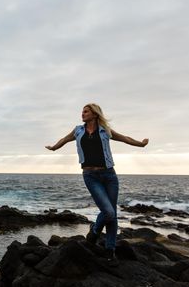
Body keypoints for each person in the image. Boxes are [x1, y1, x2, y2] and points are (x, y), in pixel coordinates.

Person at [45, 103, 149, 263]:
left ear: (94, 114)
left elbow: (125, 138)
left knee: (112, 214)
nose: (82, 114)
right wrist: (53, 148)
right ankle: (94, 232)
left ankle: (110, 250)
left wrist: (141, 144)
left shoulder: (104, 130)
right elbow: (65, 139)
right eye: (82, 111)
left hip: (109, 175)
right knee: (108, 212)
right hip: (90, 175)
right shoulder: (78, 130)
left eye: (86, 111)